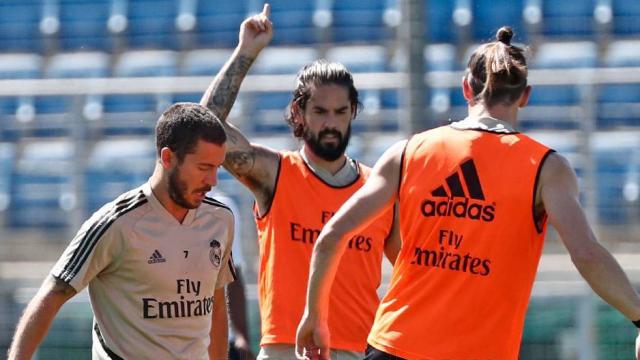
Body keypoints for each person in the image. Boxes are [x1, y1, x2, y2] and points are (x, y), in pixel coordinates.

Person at [296, 27, 640, 360]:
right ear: (525, 95)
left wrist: (315, 316)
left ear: (465, 89)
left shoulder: (408, 151)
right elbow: (587, 255)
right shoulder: (545, 168)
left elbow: (331, 236)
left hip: (393, 347)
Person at [199, 4, 401, 359]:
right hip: (283, 351)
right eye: (320, 112)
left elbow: (410, 270)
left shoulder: (377, 190)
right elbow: (204, 129)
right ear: (298, 112)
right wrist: (246, 52)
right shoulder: (275, 174)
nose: (331, 124)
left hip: (355, 351)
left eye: (340, 112)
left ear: (353, 112)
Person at [8, 103, 236, 360]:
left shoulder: (220, 219)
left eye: (217, 168)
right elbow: (52, 294)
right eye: (204, 168)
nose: (213, 181)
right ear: (168, 158)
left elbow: (216, 305)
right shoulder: (116, 223)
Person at [210, 189, 256, 359]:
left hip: (219, 341)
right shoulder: (150, 212)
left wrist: (242, 336)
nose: (213, 179)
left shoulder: (222, 207)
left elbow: (233, 276)